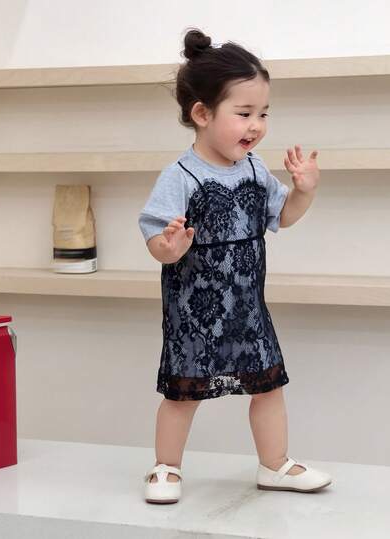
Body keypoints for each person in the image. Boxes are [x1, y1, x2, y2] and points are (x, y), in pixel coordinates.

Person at [138, 28, 332, 504]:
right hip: (195, 310)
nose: (256, 125)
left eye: (263, 113)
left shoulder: (255, 169)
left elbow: (281, 217)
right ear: (202, 114)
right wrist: (170, 246)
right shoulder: (180, 176)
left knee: (269, 386)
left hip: (248, 307)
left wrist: (304, 191)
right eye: (244, 113)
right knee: (183, 393)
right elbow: (157, 240)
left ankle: (275, 464)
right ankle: (166, 466)